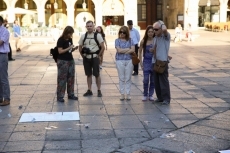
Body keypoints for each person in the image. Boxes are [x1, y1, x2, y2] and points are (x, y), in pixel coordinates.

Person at [78, 20, 105, 97]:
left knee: (97, 74)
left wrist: (99, 55)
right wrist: (82, 55)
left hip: (94, 57)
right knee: (88, 74)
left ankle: (99, 90)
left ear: (93, 27)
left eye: (91, 26)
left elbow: (103, 47)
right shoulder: (83, 36)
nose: (89, 27)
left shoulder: (98, 36)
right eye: (88, 26)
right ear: (86, 27)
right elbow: (80, 47)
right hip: (86, 57)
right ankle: (89, 90)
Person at [56, 26, 78, 102]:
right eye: (69, 33)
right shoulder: (60, 40)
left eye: (71, 34)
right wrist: (69, 48)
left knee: (71, 78)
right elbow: (60, 51)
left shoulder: (70, 39)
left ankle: (71, 94)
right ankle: (60, 96)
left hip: (70, 60)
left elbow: (69, 51)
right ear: (66, 32)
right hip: (62, 61)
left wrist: (73, 49)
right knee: (62, 79)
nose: (70, 35)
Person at [152, 20, 171, 105]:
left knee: (163, 81)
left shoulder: (166, 37)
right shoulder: (155, 38)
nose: (154, 31)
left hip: (162, 62)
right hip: (155, 61)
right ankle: (160, 97)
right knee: (156, 81)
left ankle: (166, 99)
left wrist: (163, 24)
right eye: (153, 29)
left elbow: (165, 31)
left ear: (161, 29)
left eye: (156, 29)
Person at [115, 26, 135, 100]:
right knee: (121, 78)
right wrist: (128, 49)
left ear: (127, 33)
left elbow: (133, 49)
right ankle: (122, 94)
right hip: (119, 60)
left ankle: (128, 93)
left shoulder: (130, 40)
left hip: (129, 60)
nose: (122, 34)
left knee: (128, 78)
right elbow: (119, 51)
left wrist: (123, 50)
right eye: (121, 32)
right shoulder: (117, 40)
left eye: (124, 32)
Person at [139, 25, 155, 101]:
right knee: (146, 79)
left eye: (152, 32)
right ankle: (145, 94)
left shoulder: (155, 40)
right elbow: (140, 52)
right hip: (146, 61)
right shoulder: (143, 41)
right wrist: (141, 62)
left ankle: (151, 94)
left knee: (153, 79)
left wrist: (154, 51)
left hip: (154, 62)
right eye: (149, 32)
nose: (150, 33)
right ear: (147, 32)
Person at [0, 16, 11, 106]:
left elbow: (0, 42)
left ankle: (6, 98)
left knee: (3, 78)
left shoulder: (5, 31)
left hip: (2, 55)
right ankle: (0, 98)